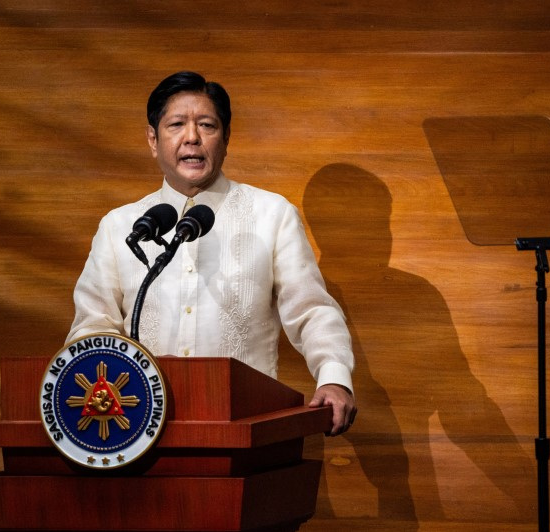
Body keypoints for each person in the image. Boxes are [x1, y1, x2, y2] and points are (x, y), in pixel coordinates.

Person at [67, 71, 357, 435]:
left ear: (226, 139)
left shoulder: (271, 215)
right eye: (176, 125)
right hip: (140, 429)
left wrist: (334, 378)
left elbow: (311, 310)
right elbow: (93, 327)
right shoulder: (121, 226)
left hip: (247, 427)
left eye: (206, 125)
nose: (192, 137)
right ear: (153, 140)